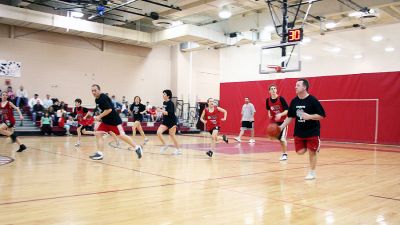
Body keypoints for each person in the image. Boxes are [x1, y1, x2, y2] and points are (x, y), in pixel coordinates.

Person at [279, 79, 326, 180]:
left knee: (311, 152)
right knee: (300, 152)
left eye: (298, 85)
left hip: (312, 131)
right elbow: (290, 117)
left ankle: (312, 173)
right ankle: (311, 147)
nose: (295, 87)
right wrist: (281, 127)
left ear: (304, 87)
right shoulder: (294, 101)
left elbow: (322, 115)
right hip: (299, 132)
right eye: (295, 85)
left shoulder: (313, 100)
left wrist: (309, 116)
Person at [89, 84, 143, 160]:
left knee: (122, 136)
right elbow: (103, 110)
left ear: (99, 90)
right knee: (98, 134)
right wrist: (98, 116)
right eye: (92, 91)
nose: (93, 92)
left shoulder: (103, 97)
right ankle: (100, 153)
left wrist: (99, 116)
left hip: (114, 121)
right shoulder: (97, 99)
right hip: (105, 122)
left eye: (95, 90)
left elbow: (109, 109)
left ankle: (137, 147)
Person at [266, 84, 289, 161]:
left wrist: (281, 114)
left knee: (282, 139)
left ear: (276, 90)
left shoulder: (281, 99)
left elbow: (287, 110)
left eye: (274, 88)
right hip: (274, 122)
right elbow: (268, 109)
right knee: (277, 139)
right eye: (271, 89)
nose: (273, 90)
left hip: (283, 122)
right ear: (269, 91)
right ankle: (283, 153)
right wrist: (269, 114)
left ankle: (285, 154)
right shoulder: (267, 100)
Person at [157, 90, 181, 155]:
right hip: (165, 121)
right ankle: (165, 145)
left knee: (172, 135)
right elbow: (164, 110)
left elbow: (168, 113)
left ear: (168, 96)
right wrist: (160, 110)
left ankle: (178, 150)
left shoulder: (171, 103)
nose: (163, 95)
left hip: (172, 121)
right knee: (158, 132)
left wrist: (160, 110)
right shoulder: (164, 102)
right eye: (163, 94)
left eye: (164, 94)